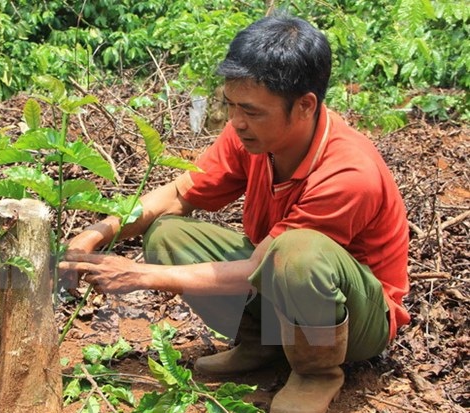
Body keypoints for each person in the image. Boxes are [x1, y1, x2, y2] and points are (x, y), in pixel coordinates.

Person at [59, 13, 410, 413]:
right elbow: (177, 195)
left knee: (298, 252)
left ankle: (317, 371)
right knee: (168, 234)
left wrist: (140, 276)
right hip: (281, 279)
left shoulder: (349, 172)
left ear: (305, 106)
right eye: (231, 106)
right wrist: (100, 231)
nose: (236, 122)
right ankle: (262, 344)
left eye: (252, 111)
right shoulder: (248, 136)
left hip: (357, 320)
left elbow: (264, 264)